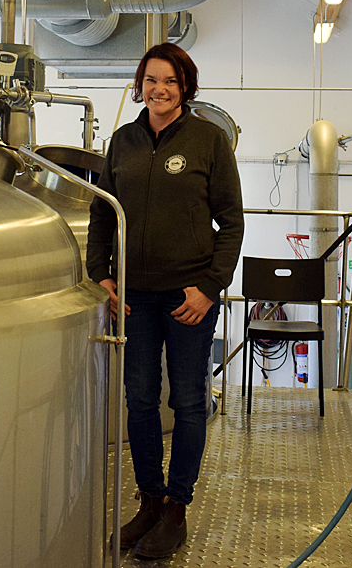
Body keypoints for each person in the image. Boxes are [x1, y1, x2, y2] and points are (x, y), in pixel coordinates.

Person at [87, 42, 244, 559]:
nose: (160, 89)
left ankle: (177, 507)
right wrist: (101, 275)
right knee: (139, 399)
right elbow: (103, 213)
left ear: (185, 87)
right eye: (151, 80)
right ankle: (150, 500)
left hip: (187, 296)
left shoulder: (208, 140)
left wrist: (209, 287)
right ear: (140, 85)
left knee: (189, 401)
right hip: (133, 296)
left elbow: (232, 222)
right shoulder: (123, 141)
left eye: (170, 81)